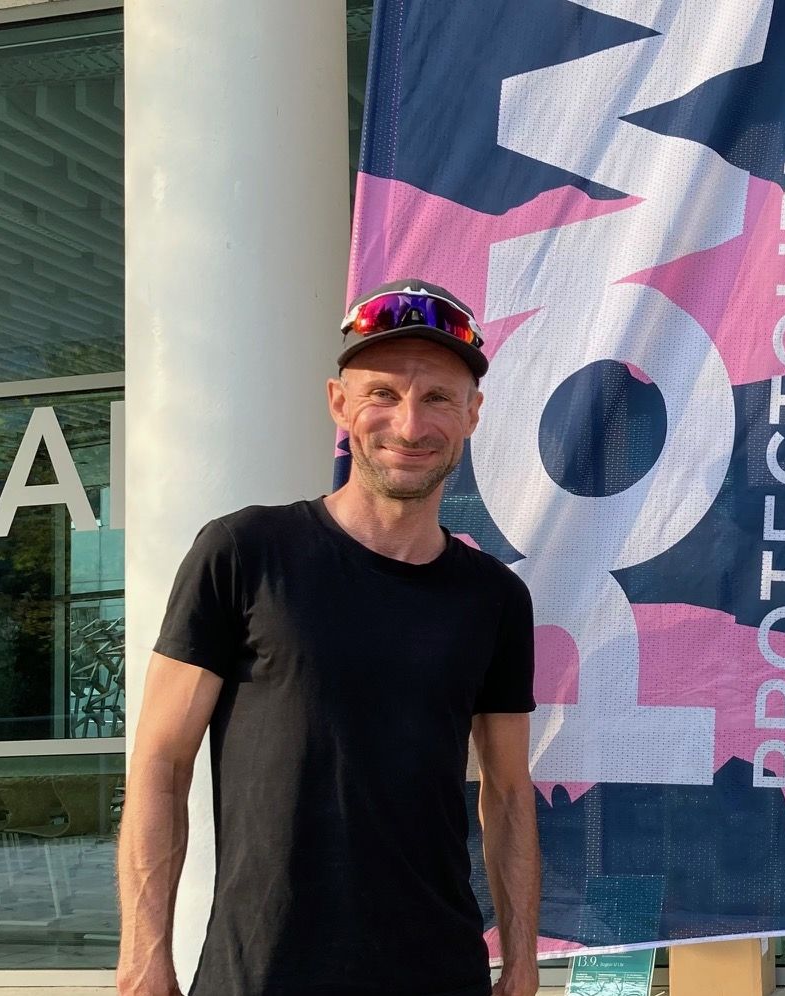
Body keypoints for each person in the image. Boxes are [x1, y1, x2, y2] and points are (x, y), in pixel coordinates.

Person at [117, 279, 540, 996]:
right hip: (263, 973)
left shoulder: (494, 598)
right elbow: (162, 761)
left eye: (438, 397)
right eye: (382, 394)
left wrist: (523, 964)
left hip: (438, 974)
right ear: (339, 404)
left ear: (472, 413)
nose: (410, 425)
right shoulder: (245, 553)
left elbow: (506, 793)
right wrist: (143, 958)